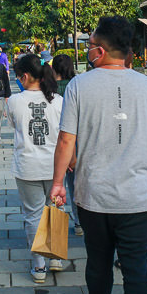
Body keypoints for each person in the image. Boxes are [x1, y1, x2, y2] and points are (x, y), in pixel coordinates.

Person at [50, 16, 147, 294]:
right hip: (139, 197)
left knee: (99, 261)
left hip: (94, 195)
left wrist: (58, 182)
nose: (88, 50)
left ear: (100, 51)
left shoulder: (78, 86)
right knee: (137, 270)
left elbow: (65, 141)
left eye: (90, 45)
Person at [6, 53, 65, 282]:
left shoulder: (14, 101)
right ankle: (56, 258)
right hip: (54, 165)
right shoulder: (58, 101)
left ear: (26, 76)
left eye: (19, 77)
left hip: (27, 165)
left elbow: (14, 125)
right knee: (56, 210)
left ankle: (39, 265)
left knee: (33, 215)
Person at [52, 53, 82, 236]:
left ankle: (56, 226)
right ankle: (79, 222)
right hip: (75, 142)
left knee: (56, 185)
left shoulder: (50, 89)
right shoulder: (77, 86)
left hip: (55, 143)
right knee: (75, 185)